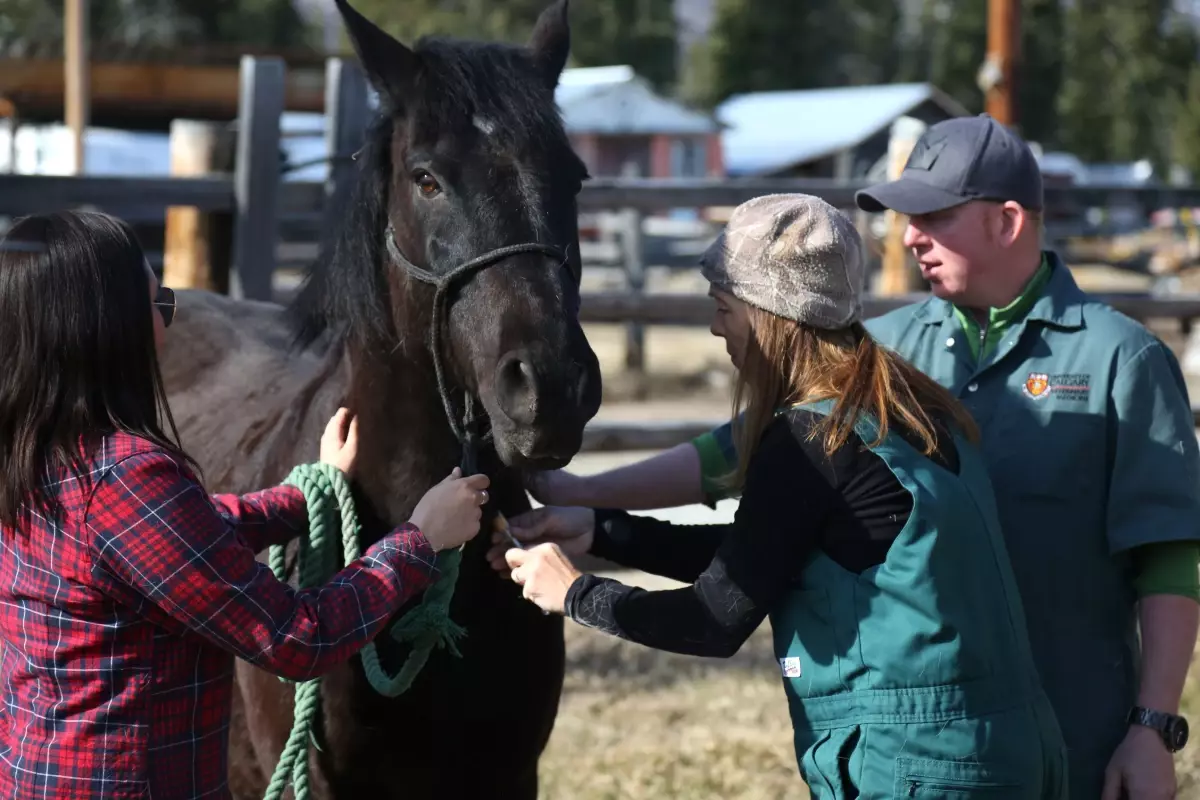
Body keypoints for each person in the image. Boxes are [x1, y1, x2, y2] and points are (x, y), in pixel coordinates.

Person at [523, 115, 1200, 800]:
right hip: (989, 737)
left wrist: (577, 594)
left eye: (934, 214)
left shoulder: (1120, 358)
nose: (910, 236)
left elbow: (719, 612)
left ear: (1009, 220)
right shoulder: (895, 366)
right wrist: (594, 512)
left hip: (1010, 736)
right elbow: (767, 520)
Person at [489, 193, 1069, 798]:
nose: (716, 327)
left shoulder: (811, 440)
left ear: (771, 313)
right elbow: (770, 549)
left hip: (923, 769)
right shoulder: (908, 407)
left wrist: (576, 594)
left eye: (724, 307)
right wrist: (603, 530)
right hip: (1011, 747)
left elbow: (714, 619)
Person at [0, 210, 491, 799]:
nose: (166, 325)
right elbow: (298, 637)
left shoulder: (31, 449)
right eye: (160, 308)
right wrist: (419, 539)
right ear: (106, 329)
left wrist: (304, 493)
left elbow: (184, 538)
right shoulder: (129, 479)